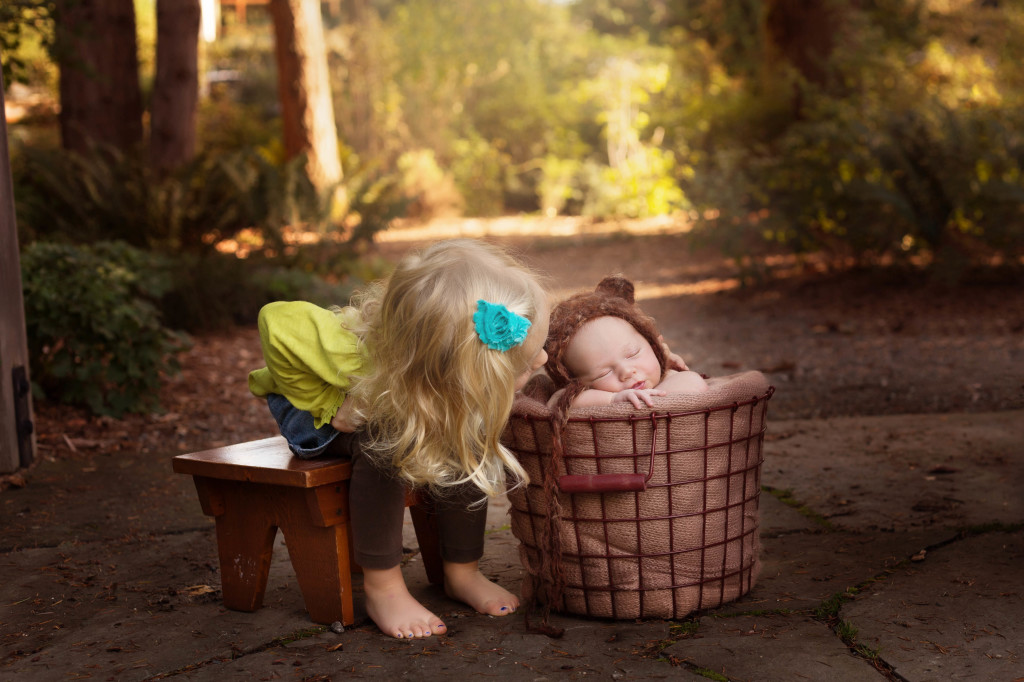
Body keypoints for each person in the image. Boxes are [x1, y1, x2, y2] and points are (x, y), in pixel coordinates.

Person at [248, 240, 549, 640]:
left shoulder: (436, 368)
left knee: (464, 433)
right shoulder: (343, 351)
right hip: (319, 414)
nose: (541, 360)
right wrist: (329, 401)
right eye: (526, 366)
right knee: (386, 443)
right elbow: (275, 320)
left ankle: (462, 572)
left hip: (398, 396)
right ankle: (383, 587)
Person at [543, 275, 706, 412]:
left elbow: (696, 386)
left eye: (633, 354)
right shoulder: (591, 397)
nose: (627, 372)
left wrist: (664, 359)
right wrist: (612, 399)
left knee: (692, 378)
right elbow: (557, 402)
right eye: (603, 373)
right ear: (577, 383)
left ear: (654, 345)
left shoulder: (668, 378)